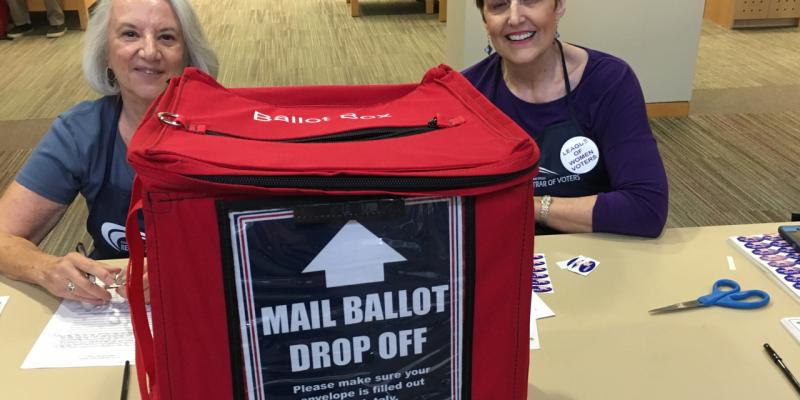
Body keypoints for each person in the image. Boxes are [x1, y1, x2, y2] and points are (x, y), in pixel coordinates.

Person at [0, 0, 218, 304]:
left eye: (167, 37)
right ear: (105, 52)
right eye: (130, 34)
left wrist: (190, 271)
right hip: (113, 304)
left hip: (204, 298)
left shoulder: (224, 130)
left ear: (188, 56)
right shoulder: (81, 132)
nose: (150, 51)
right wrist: (45, 268)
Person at [463, 0, 668, 238]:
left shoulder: (609, 81)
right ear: (485, 21)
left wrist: (531, 207)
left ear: (558, 6)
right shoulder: (466, 96)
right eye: (498, 5)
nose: (515, 17)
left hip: (600, 252)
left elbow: (646, 209)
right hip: (502, 252)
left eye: (530, 1)